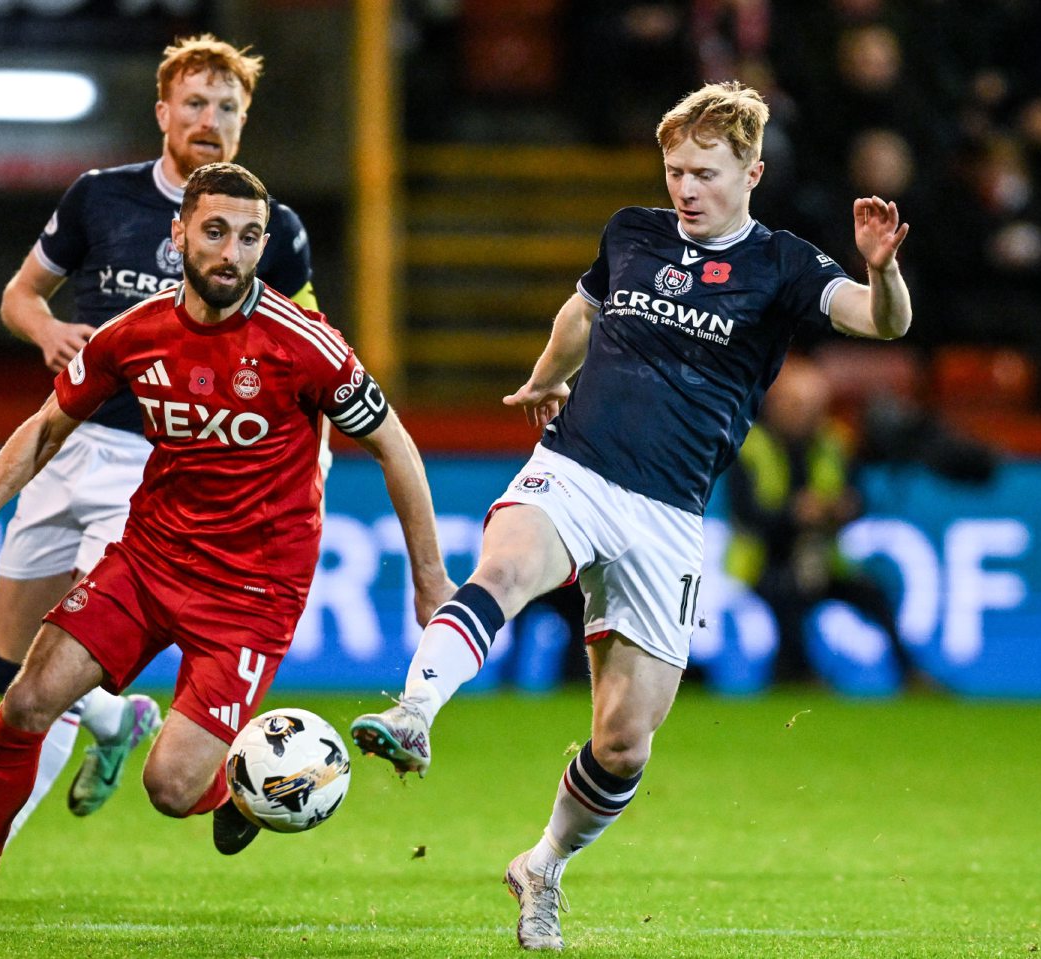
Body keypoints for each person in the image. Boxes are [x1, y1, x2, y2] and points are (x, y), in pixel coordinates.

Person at [350, 81, 912, 951]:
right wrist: (545, 375)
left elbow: (881, 324)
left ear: (751, 172)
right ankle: (413, 714)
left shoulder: (785, 267)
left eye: (705, 173)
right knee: (500, 572)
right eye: (675, 169)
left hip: (669, 514)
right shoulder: (632, 233)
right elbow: (581, 310)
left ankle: (543, 864)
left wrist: (881, 268)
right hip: (576, 467)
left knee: (623, 743)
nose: (685, 188)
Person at [0, 163, 454, 931]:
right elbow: (47, 426)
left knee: (171, 787)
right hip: (148, 561)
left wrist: (430, 580)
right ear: (179, 233)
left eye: (249, 236)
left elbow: (396, 445)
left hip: (252, 595)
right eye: (215, 231)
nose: (231, 251)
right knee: (26, 697)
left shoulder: (305, 344)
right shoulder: (137, 333)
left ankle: (230, 791)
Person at [0, 33, 322, 898]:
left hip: (164, 465)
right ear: (164, 110)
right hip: (72, 434)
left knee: (43, 684)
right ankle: (118, 718)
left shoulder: (269, 227)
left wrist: (309, 458)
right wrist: (47, 331)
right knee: (6, 666)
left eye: (230, 110)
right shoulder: (101, 197)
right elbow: (20, 295)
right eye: (198, 104)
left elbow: (307, 359)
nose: (212, 122)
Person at [723, 357, 903, 684]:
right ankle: (799, 673)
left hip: (821, 559)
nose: (804, 414)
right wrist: (795, 514)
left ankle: (910, 671)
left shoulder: (833, 443)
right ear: (776, 403)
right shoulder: (751, 445)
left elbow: (858, 497)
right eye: (796, 405)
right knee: (785, 592)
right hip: (762, 561)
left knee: (873, 594)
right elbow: (746, 515)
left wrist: (844, 508)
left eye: (813, 406)